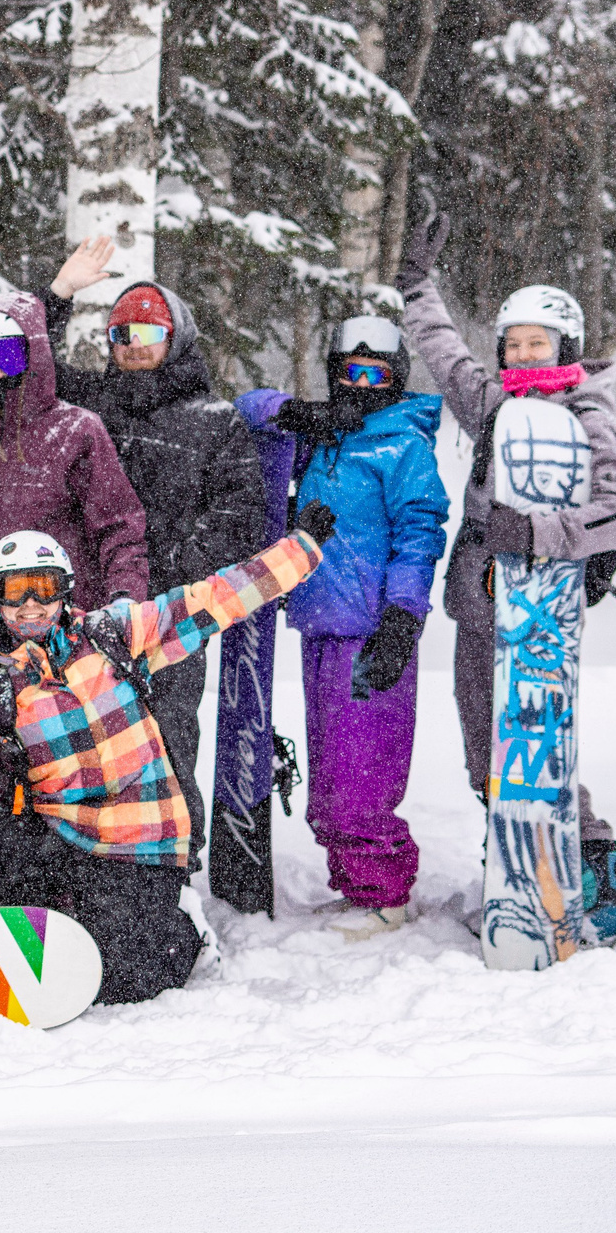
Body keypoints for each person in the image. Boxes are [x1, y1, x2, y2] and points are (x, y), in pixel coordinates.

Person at [0, 514, 334, 1004]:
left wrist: (300, 549)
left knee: (118, 981)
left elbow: (216, 598)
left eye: (42, 588)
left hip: (140, 838)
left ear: (65, 591)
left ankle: (180, 934)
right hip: (63, 833)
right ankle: (58, 913)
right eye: (14, 591)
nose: (30, 606)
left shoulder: (113, 635)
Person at [398, 189, 616, 941]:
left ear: (565, 347)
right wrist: (415, 284)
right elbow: (444, 353)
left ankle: (592, 865)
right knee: (488, 759)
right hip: (480, 607)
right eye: (513, 343)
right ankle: (512, 866)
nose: (521, 354)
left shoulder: (587, 418)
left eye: (537, 343)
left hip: (539, 615)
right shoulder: (496, 405)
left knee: (535, 751)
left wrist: (536, 532)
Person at [44, 239, 269, 867]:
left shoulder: (215, 420)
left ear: (178, 336)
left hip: (167, 619)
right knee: (79, 747)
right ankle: (82, 869)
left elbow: (234, 518)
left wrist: (157, 584)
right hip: (85, 616)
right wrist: (58, 295)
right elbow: (25, 367)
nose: (133, 342)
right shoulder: (85, 406)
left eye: (148, 329)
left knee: (165, 745)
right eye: (120, 332)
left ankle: (173, 878)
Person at [237, 316, 451, 937]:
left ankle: (385, 892)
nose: (360, 386)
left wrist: (404, 617)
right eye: (348, 374)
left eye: (374, 375)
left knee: (364, 768)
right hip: (321, 626)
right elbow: (245, 409)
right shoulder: (323, 437)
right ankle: (358, 883)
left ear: (396, 378)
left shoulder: (402, 445)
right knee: (332, 767)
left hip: (372, 629)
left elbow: (420, 534)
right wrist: (294, 412)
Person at [0, 291, 150, 679]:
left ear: (33, 355)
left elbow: (120, 530)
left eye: (7, 357)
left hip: (62, 655)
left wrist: (124, 601)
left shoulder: (76, 432)